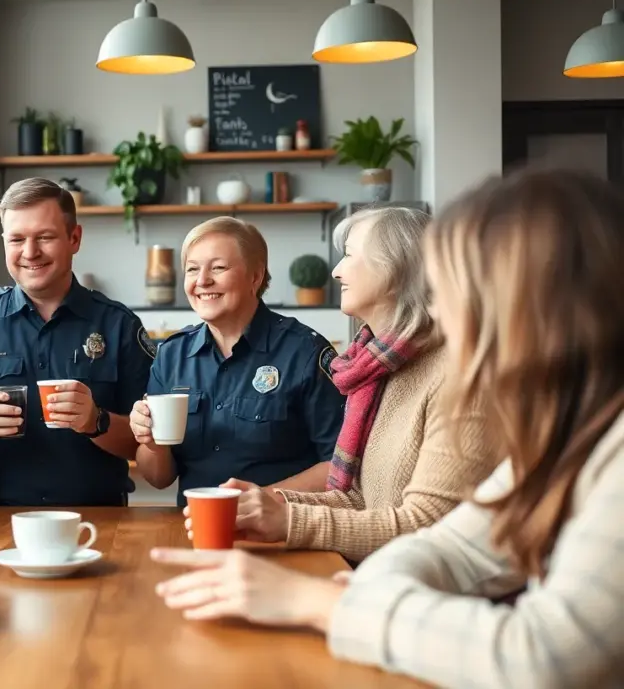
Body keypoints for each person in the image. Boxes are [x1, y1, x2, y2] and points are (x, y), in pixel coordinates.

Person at [151, 168, 624, 688]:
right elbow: (457, 545)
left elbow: (537, 657)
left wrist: (316, 600)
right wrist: (350, 587)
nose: (441, 311)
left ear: (537, 301)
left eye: (455, 287)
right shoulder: (566, 430)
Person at [189, 208, 497, 562]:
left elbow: (427, 526)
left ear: (395, 269)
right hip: (378, 579)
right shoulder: (373, 368)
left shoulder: (459, 376)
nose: (336, 271)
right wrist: (267, 502)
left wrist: (288, 518)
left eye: (349, 255)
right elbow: (358, 499)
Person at [0, 177, 152, 506]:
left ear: (74, 238)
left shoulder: (119, 325)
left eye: (45, 237)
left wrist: (97, 420)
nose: (30, 252)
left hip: (98, 521)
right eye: (17, 239)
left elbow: (147, 444)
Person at [129, 216, 344, 506]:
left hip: (279, 534)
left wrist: (262, 499)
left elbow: (339, 466)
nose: (202, 280)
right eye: (192, 269)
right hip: (197, 529)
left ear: (255, 276)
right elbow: (159, 479)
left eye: (218, 267)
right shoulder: (171, 355)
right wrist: (151, 444)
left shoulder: (305, 351)